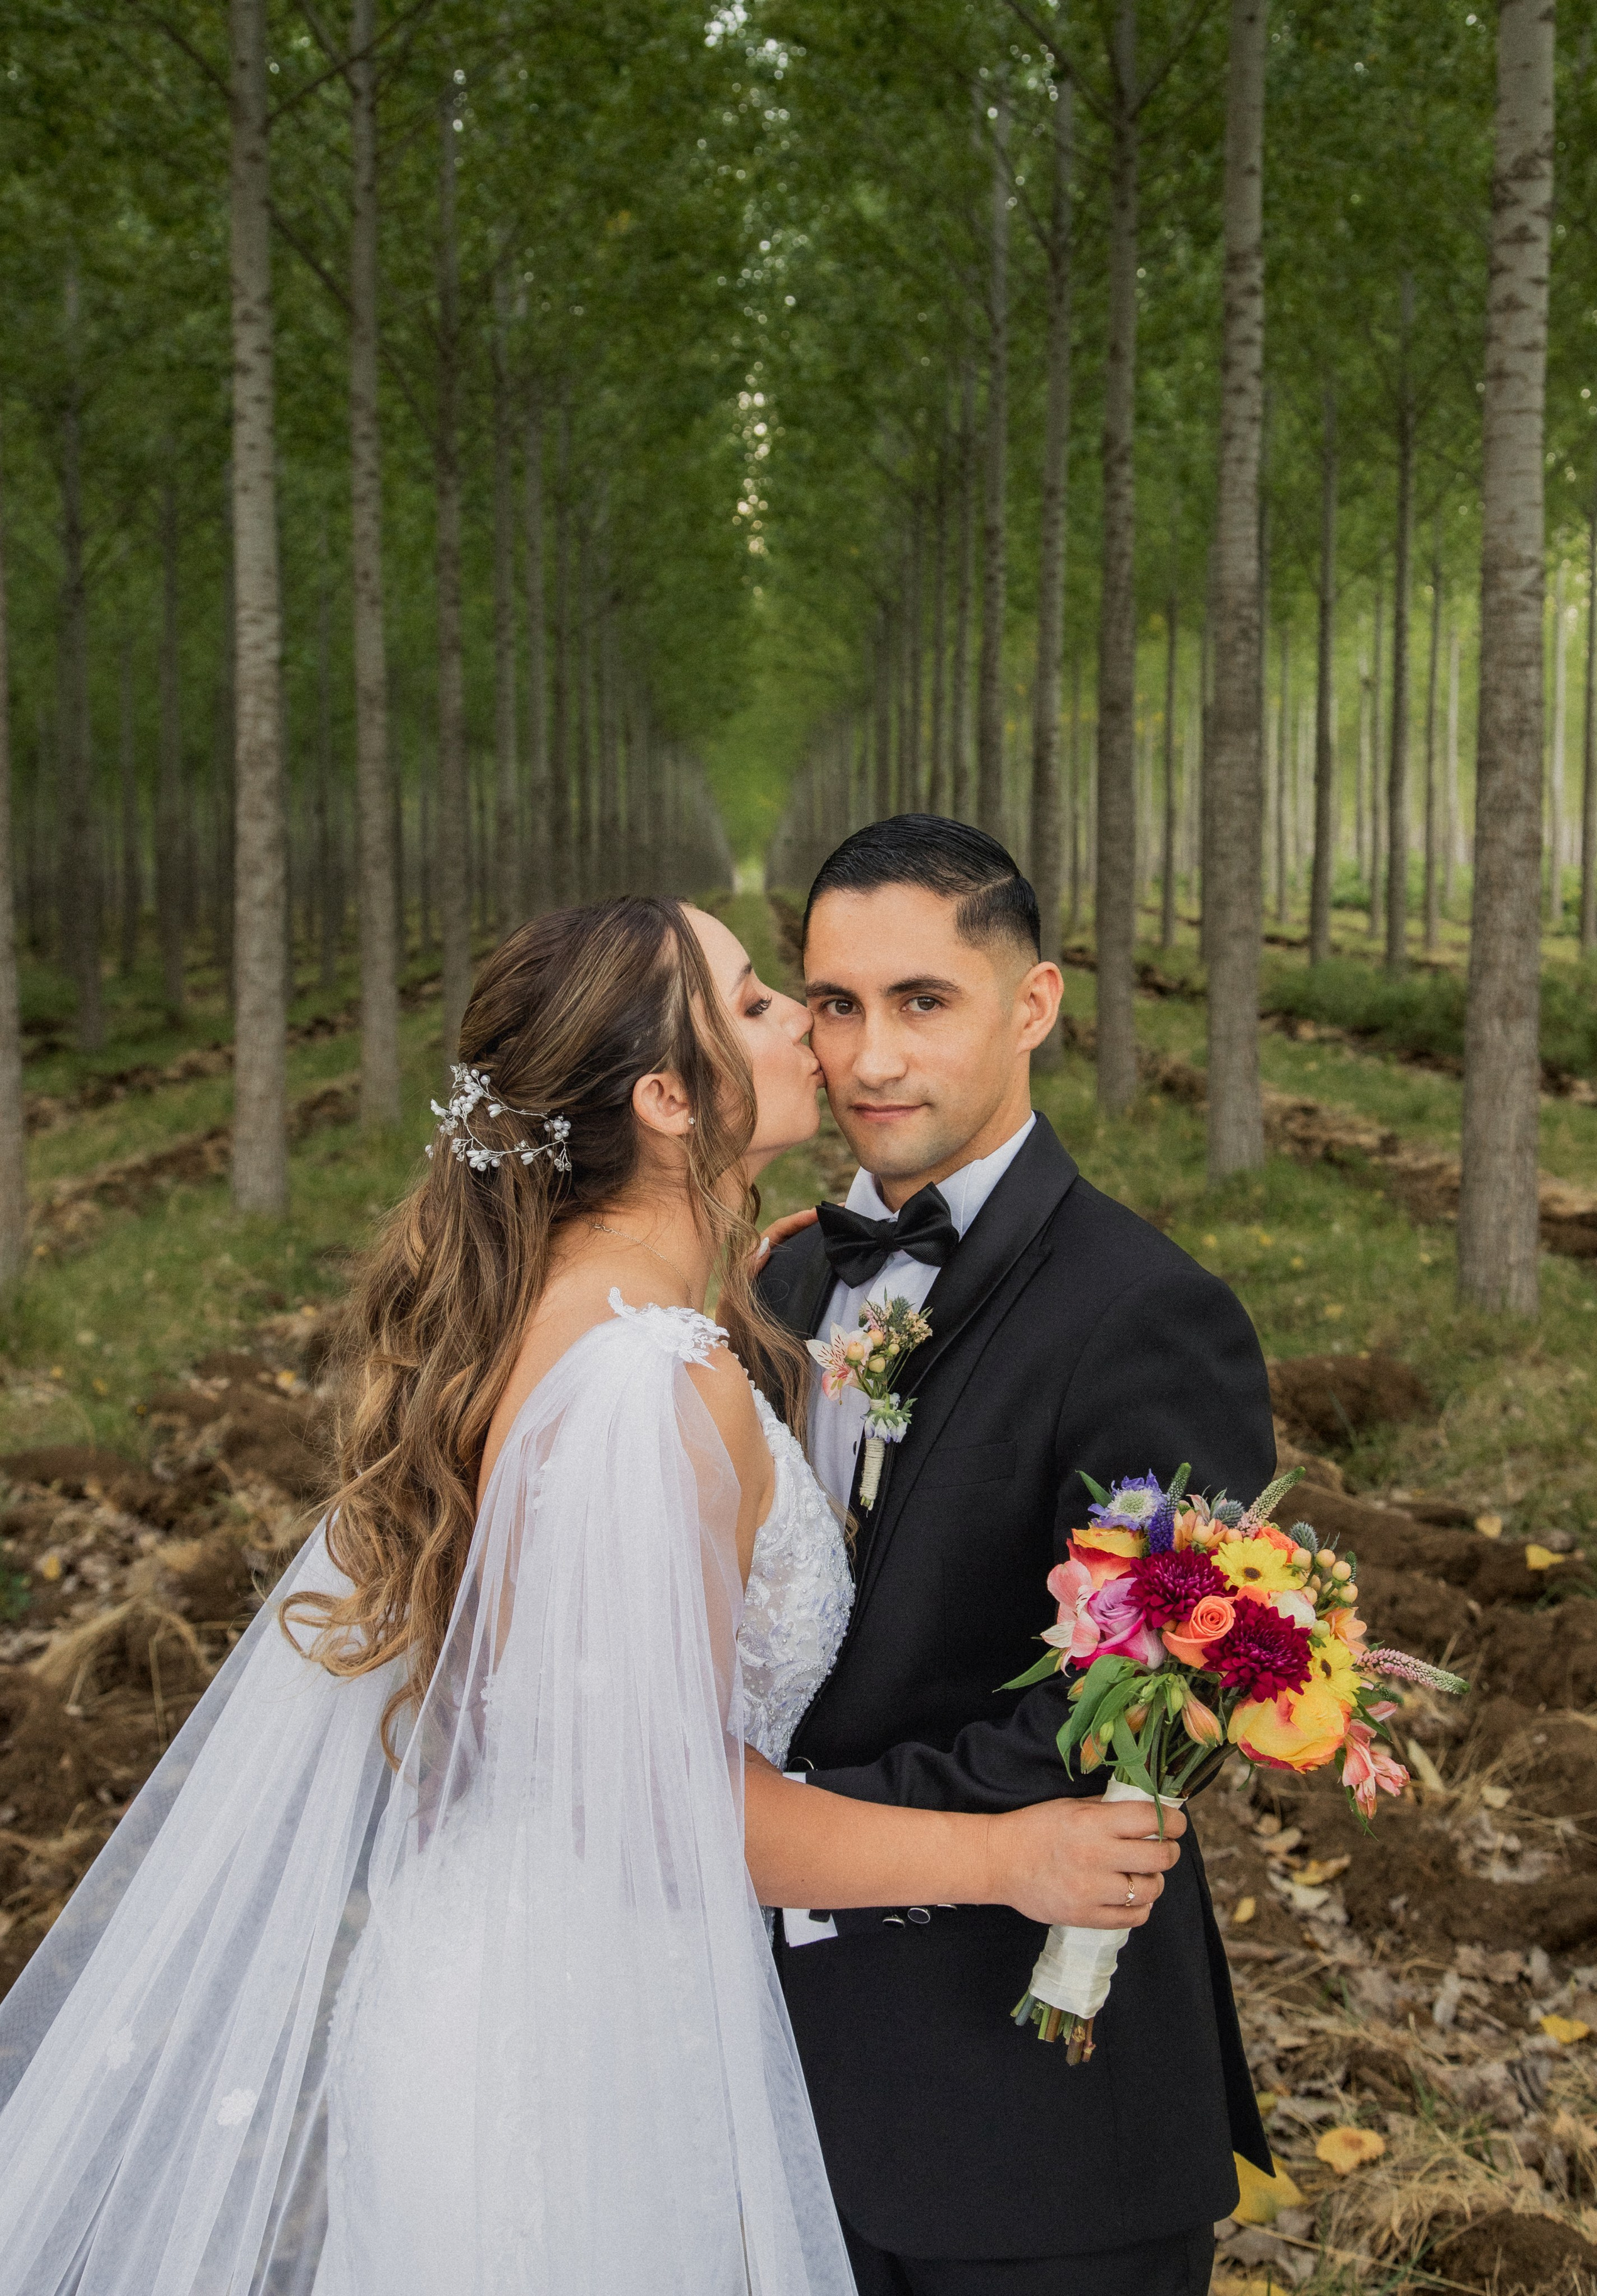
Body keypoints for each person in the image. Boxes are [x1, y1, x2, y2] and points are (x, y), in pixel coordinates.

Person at [0, 894, 1182, 2296]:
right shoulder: (645, 1385)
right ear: (670, 1098)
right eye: (756, 1001)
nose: (808, 1020)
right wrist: (1006, 1859)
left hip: (507, 1960)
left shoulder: (579, 1318)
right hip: (584, 2040)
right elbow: (667, 1802)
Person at [757, 818, 1276, 2296]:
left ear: (1031, 1005)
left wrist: (779, 1837)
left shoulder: (1145, 1313)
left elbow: (1124, 1713)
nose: (868, 1058)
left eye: (921, 1001)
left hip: (1035, 2119)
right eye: (833, 1005)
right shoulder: (790, 1275)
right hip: (773, 2099)